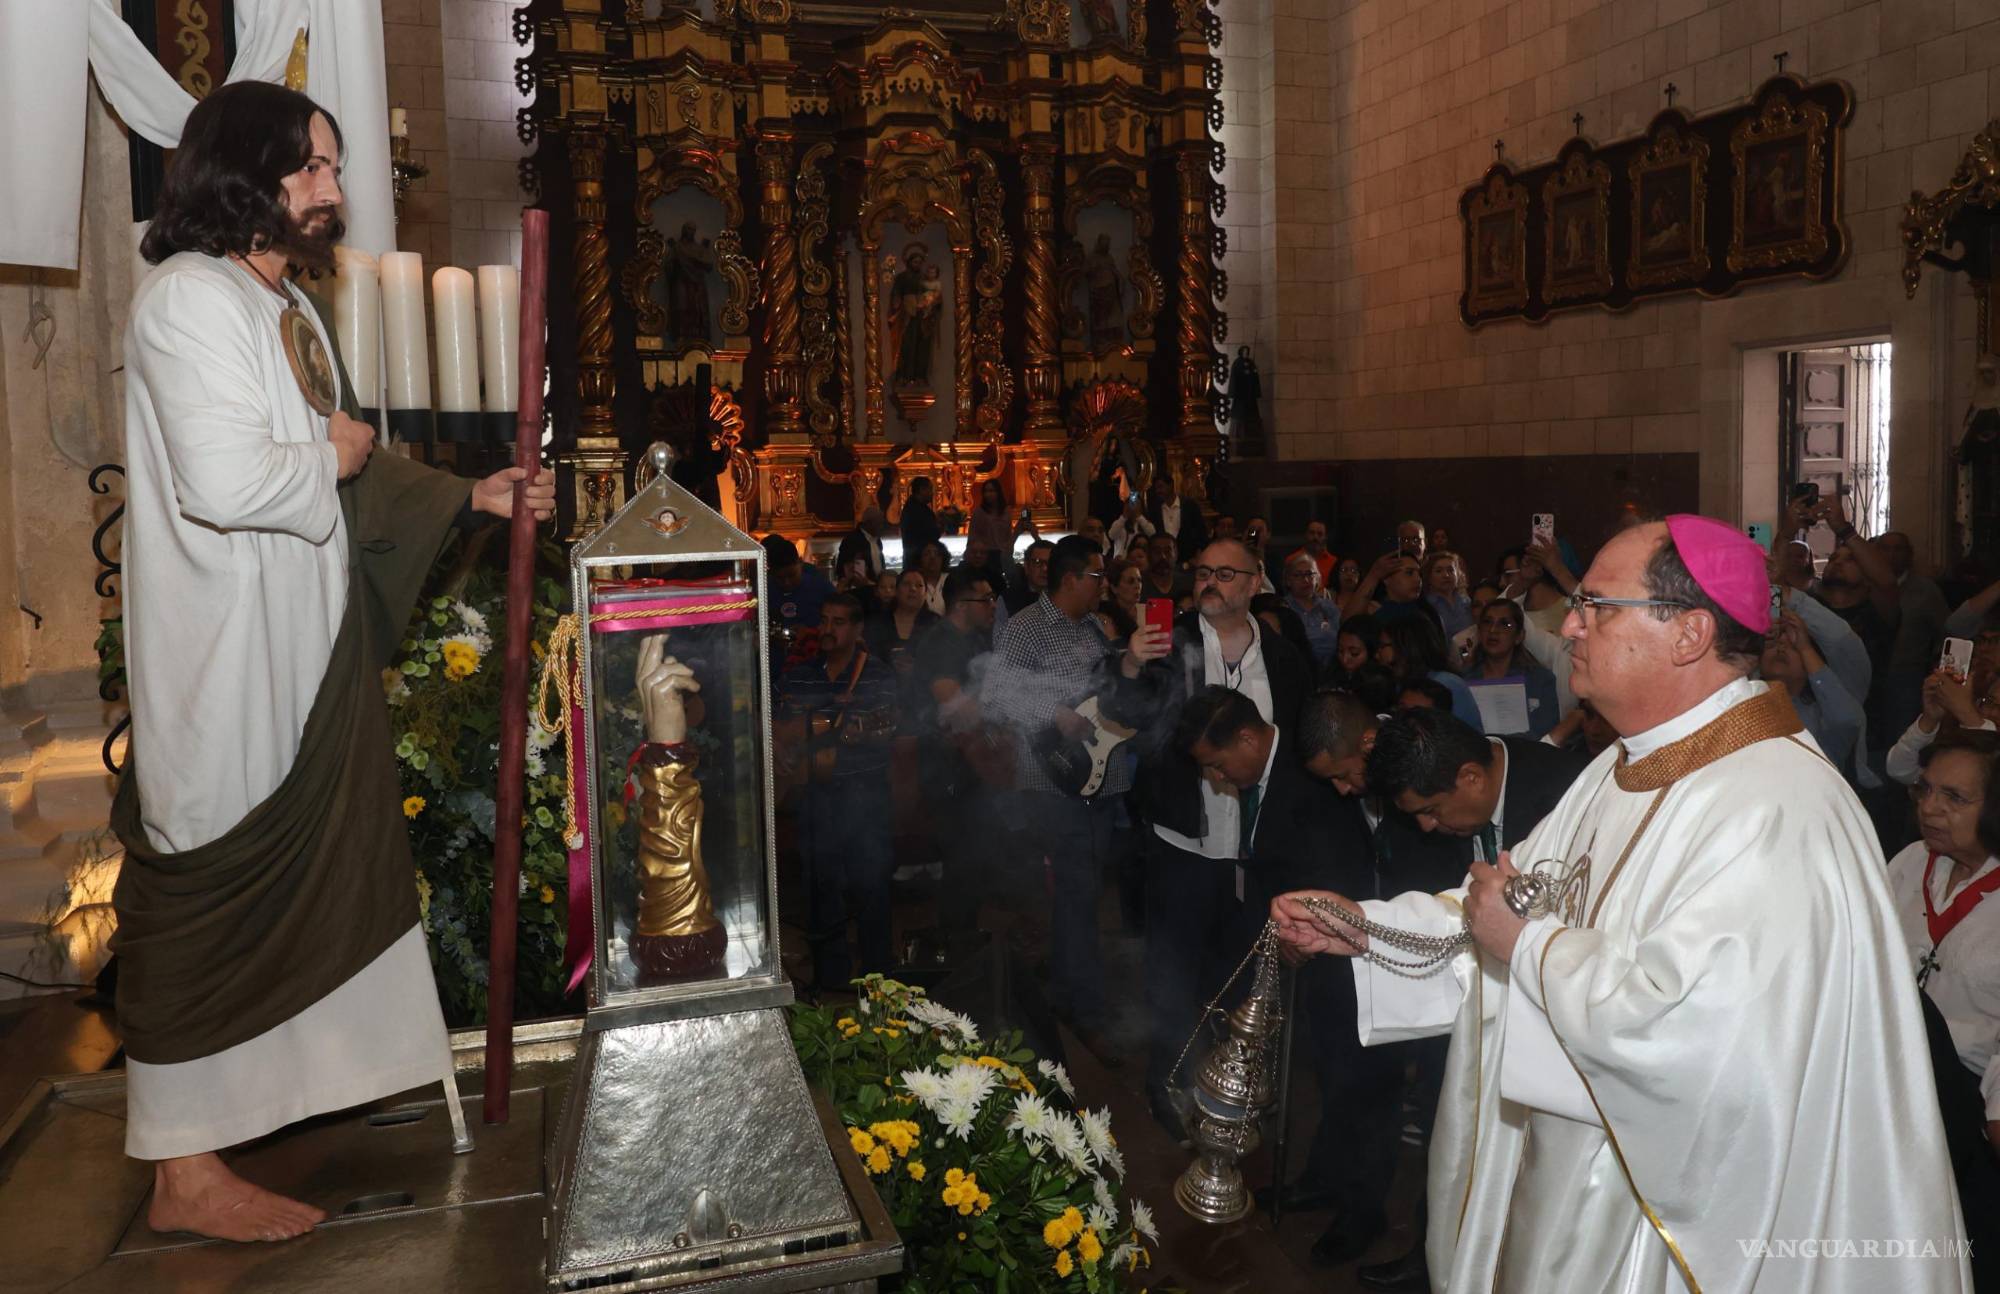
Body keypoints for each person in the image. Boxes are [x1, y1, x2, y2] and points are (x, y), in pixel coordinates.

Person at [1273, 514, 1970, 1293]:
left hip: (1668, 1225)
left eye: (1595, 605)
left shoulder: (1777, 809)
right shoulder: (1624, 766)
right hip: (1581, 1178)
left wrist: (1530, 949)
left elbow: (1702, 1045)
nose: (1568, 623)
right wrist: (1366, 930)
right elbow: (1512, 901)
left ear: (1689, 633)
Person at [111, 82, 557, 1243]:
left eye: (333, 167)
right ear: (246, 175)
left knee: (304, 880)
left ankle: (262, 1110)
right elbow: (231, 479)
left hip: (301, 661)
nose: (334, 190)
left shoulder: (279, 311)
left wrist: (469, 493)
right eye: (312, 166)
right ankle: (181, 1166)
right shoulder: (185, 303)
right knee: (212, 881)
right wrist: (334, 446)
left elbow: (346, 476)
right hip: (225, 665)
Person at [1112, 537, 1313, 1137]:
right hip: (1183, 843)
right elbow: (1126, 714)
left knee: (1245, 974)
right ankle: (1168, 1082)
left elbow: (1297, 743)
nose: (1211, 582)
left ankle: (1235, 1090)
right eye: (1203, 572)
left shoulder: (1283, 656)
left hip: (1256, 849)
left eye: (1226, 573)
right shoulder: (1165, 647)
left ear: (1256, 583)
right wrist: (1126, 665)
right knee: (1171, 974)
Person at [981, 536, 1168, 1056]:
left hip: (1102, 781)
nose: (1102, 584)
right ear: (1070, 579)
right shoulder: (1023, 629)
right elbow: (996, 695)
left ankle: (1073, 990)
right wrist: (1051, 714)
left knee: (1084, 895)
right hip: (1055, 782)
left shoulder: (1093, 628)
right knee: (1079, 892)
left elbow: (1108, 697)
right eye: (1096, 575)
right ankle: (1082, 1007)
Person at [1885, 733, 2000, 1292]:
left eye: (1955, 798)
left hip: (1966, 1101)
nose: (1930, 808)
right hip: (1887, 1076)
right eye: (1926, 790)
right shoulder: (1911, 862)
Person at [778, 594, 899, 991]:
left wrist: (828, 726)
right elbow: (777, 727)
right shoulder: (800, 674)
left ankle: (880, 986)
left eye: (839, 622)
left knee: (870, 887)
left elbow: (884, 727)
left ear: (858, 629)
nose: (828, 629)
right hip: (814, 794)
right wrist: (818, 726)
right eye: (825, 621)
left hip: (864, 793)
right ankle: (830, 984)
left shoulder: (877, 675)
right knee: (820, 889)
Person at [910, 567, 1006, 939]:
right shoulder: (941, 641)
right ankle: (955, 947)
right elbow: (953, 703)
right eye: (986, 599)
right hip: (947, 766)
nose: (993, 606)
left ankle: (969, 939)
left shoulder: (978, 640)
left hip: (975, 765)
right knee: (960, 859)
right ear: (962, 604)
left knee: (976, 858)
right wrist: (1001, 707)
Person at [1760, 607, 1865, 773]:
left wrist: (1805, 648)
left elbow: (1849, 720)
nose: (1781, 648)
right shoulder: (1742, 700)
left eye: (1793, 647)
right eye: (1774, 643)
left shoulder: (1820, 716)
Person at [1462, 599, 1560, 738]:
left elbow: (1545, 734)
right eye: (1487, 622)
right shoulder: (1464, 680)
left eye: (1504, 624)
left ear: (1519, 636)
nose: (1493, 630)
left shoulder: (1541, 680)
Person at [1375, 615, 1484, 732]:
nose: (1377, 654)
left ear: (1404, 646)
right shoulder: (1398, 684)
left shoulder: (1447, 683)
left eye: (1383, 646)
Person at [765, 534, 835, 649]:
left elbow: (839, 618)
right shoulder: (765, 589)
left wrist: (812, 632)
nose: (787, 583)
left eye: (792, 575)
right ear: (771, 572)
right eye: (780, 578)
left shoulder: (819, 586)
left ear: (800, 563)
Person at [1345, 551, 1437, 631]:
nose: (1418, 579)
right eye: (1409, 573)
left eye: (1419, 574)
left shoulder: (1427, 614)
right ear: (1386, 578)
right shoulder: (1376, 613)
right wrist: (1373, 576)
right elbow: (1347, 625)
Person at [1281, 550, 1342, 669]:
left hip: (1332, 669)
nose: (1306, 580)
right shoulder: (1282, 608)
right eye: (1298, 575)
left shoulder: (1329, 608)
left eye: (1309, 574)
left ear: (1317, 578)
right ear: (1288, 580)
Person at [1146, 473, 1209, 565]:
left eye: (1161, 487)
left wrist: (1197, 557)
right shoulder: (1154, 510)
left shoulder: (1189, 506)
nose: (1158, 491)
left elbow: (1201, 532)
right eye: (1156, 488)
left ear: (1171, 485)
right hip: (1164, 561)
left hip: (1188, 560)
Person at [967, 479, 1017, 576]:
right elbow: (972, 536)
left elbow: (1008, 534)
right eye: (986, 491)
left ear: (998, 492)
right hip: (986, 555)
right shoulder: (979, 512)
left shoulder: (1006, 512)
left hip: (1003, 554)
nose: (988, 494)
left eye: (991, 491)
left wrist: (1009, 551)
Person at [1422, 550, 1473, 641]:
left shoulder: (1466, 601)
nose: (1446, 575)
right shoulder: (1426, 607)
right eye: (1439, 571)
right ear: (1429, 576)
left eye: (1450, 570)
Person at [837, 503, 887, 585]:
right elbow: (845, 569)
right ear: (869, 523)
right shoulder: (851, 541)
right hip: (860, 588)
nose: (882, 526)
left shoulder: (877, 540)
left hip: (877, 587)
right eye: (880, 523)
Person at [1142, 531, 1193, 605]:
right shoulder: (1138, 585)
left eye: (1167, 551)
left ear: (1176, 554)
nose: (1163, 557)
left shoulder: (1187, 585)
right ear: (1148, 554)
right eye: (1157, 552)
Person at [1004, 538, 1054, 614]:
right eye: (1038, 562)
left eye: (1050, 563)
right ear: (1026, 567)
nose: (1045, 568)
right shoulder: (1009, 599)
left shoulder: (1064, 599)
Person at [898, 476, 940, 559]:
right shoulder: (915, 510)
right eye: (930, 489)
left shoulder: (914, 507)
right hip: (919, 560)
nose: (932, 493)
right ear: (921, 490)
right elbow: (928, 535)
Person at [1106, 493, 1156, 561]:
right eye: (1131, 503)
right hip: (1120, 561)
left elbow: (1152, 534)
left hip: (1139, 562)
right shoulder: (1120, 522)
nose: (1133, 507)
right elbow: (1111, 535)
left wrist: (1139, 517)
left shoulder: (1145, 523)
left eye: (1137, 504)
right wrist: (1124, 516)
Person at [1295, 519, 1337, 588]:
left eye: (1320, 534)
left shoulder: (1334, 562)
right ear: (1305, 535)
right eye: (1312, 533)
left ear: (1325, 537)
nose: (1315, 537)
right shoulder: (1293, 559)